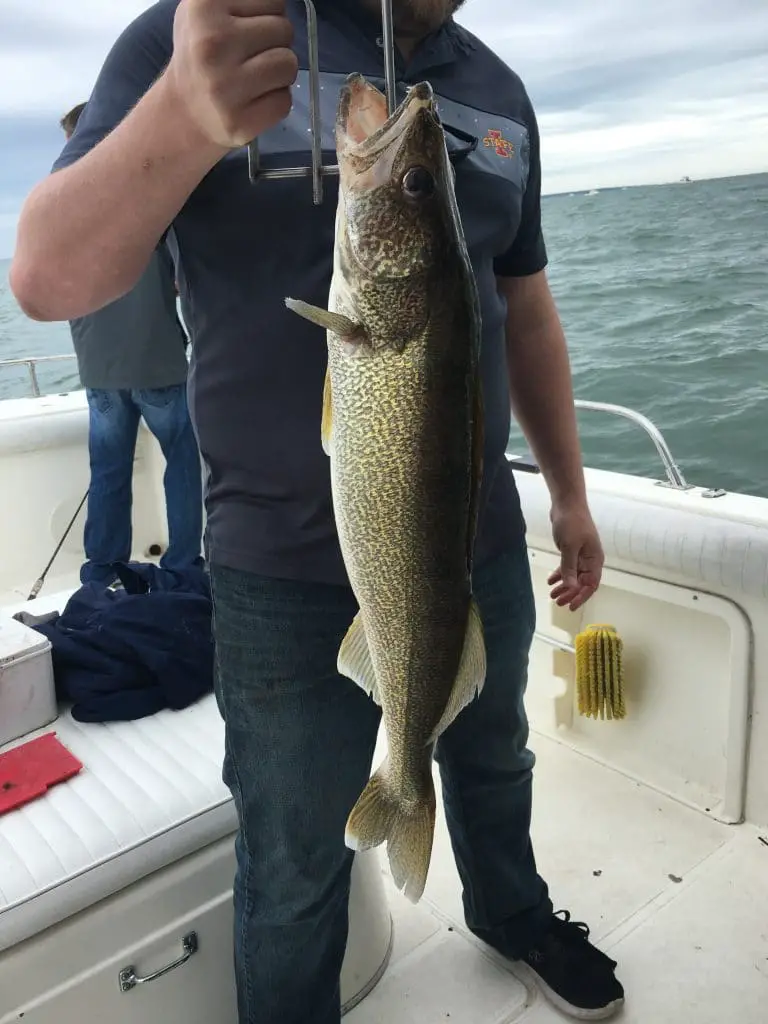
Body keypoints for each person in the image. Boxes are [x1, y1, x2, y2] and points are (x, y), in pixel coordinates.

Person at [10, 2, 624, 1021]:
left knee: (493, 751)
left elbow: (524, 307)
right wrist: (181, 112)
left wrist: (570, 492)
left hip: (476, 537)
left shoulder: (502, 91)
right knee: (294, 853)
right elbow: (47, 277)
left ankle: (511, 911)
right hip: (273, 562)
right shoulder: (202, 31)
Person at [58, 101, 204, 585]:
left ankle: (102, 571)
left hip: (98, 369)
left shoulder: (61, 213)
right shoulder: (150, 202)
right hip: (158, 361)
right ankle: (183, 569)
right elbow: (185, 278)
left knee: (108, 472)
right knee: (182, 466)